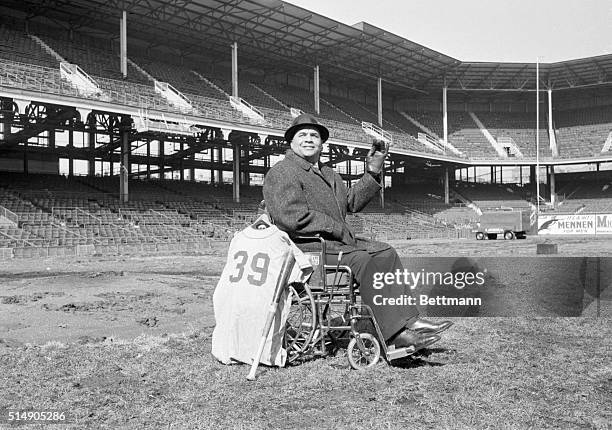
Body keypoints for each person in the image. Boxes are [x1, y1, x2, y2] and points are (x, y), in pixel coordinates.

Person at [262, 113, 453, 352]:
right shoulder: (283, 172)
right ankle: (394, 335)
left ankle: (408, 319)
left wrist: (373, 171)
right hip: (306, 248)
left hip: (334, 245)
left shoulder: (329, 174)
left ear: (322, 143)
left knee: (386, 252)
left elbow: (351, 203)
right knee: (360, 260)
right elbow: (291, 218)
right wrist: (335, 226)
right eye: (302, 135)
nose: (309, 139)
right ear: (291, 142)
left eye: (314, 135)